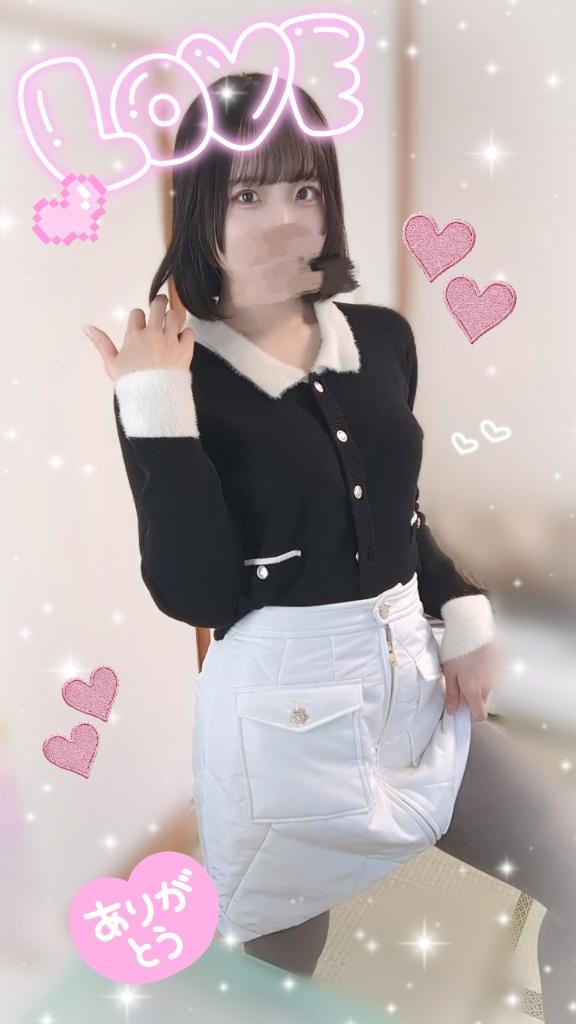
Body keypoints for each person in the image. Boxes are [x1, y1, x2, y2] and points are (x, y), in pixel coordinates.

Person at [87, 72, 576, 1019]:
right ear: (201, 209)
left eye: (304, 188)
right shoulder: (175, 378)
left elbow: (399, 513)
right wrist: (154, 407)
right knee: (276, 973)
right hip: (283, 723)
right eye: (248, 194)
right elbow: (198, 594)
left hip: (412, 684)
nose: (283, 220)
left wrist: (461, 610)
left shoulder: (384, 340)